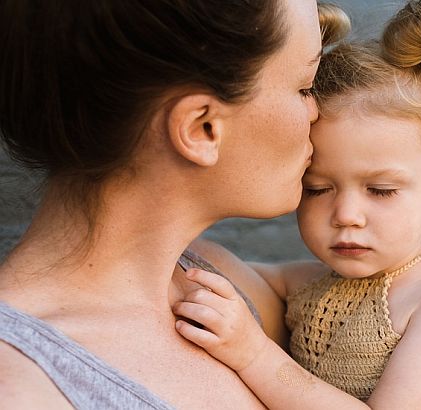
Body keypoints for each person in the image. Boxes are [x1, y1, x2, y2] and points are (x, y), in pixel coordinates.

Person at [0, 1, 348, 408]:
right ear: (202, 128)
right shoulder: (21, 387)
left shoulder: (223, 282)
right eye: (305, 87)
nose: (317, 112)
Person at [172, 0, 421, 409]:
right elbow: (225, 269)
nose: (346, 215)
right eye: (317, 188)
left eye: (380, 190)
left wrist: (253, 353)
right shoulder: (312, 284)